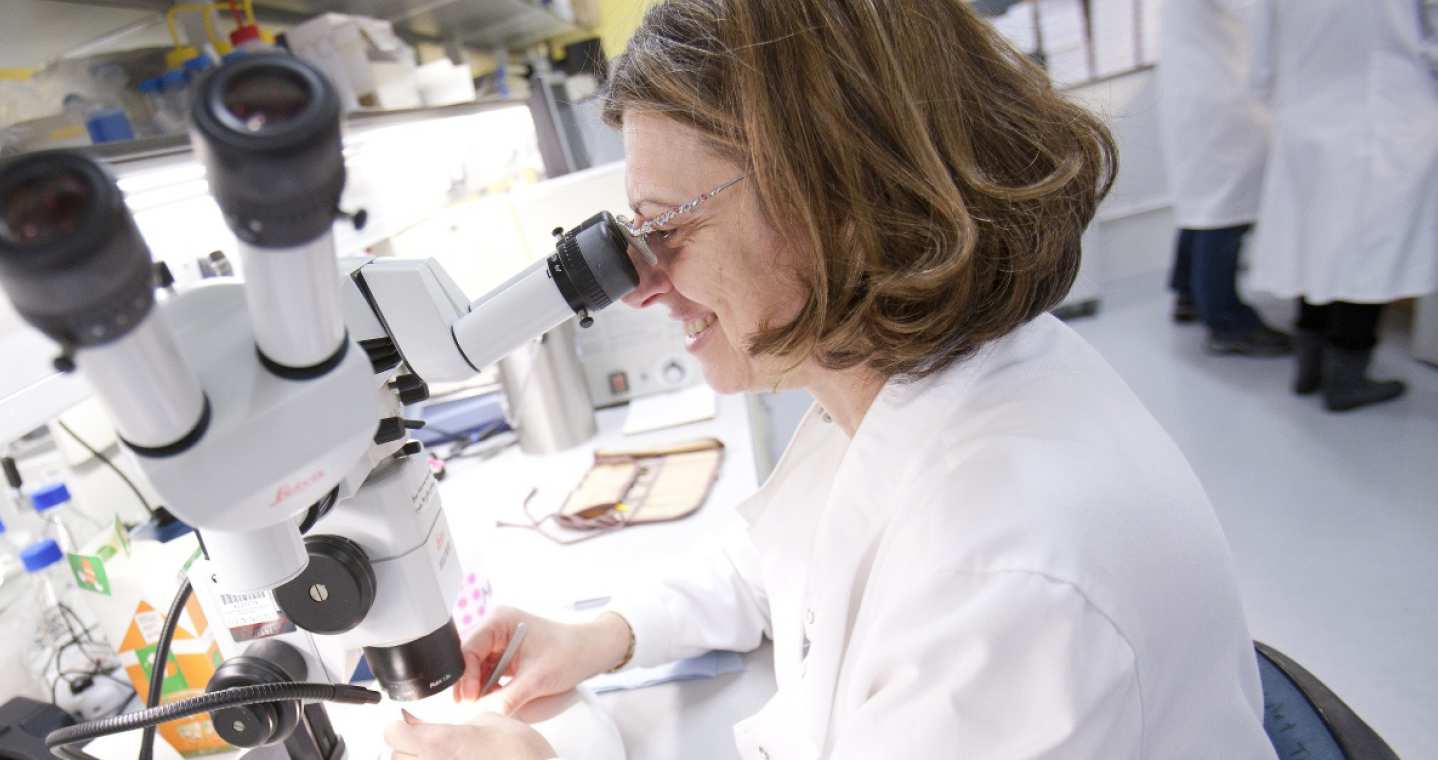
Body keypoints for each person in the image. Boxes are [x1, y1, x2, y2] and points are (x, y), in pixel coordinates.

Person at [384, 1, 1272, 758]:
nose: (643, 285)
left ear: (839, 203)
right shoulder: (897, 378)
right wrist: (602, 636)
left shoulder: (1004, 574)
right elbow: (791, 563)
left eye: (666, 229)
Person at [1243, 0, 1436, 412]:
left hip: (1305, 120)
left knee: (1314, 246)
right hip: (1385, 116)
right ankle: (1348, 378)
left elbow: (1259, 66)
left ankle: (1309, 368)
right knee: (1368, 255)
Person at [1158, 0, 1292, 356]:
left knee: (1202, 201)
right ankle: (1226, 322)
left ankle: (1188, 292)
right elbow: (1261, 18)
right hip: (1222, 91)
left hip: (1194, 85)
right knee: (1224, 212)